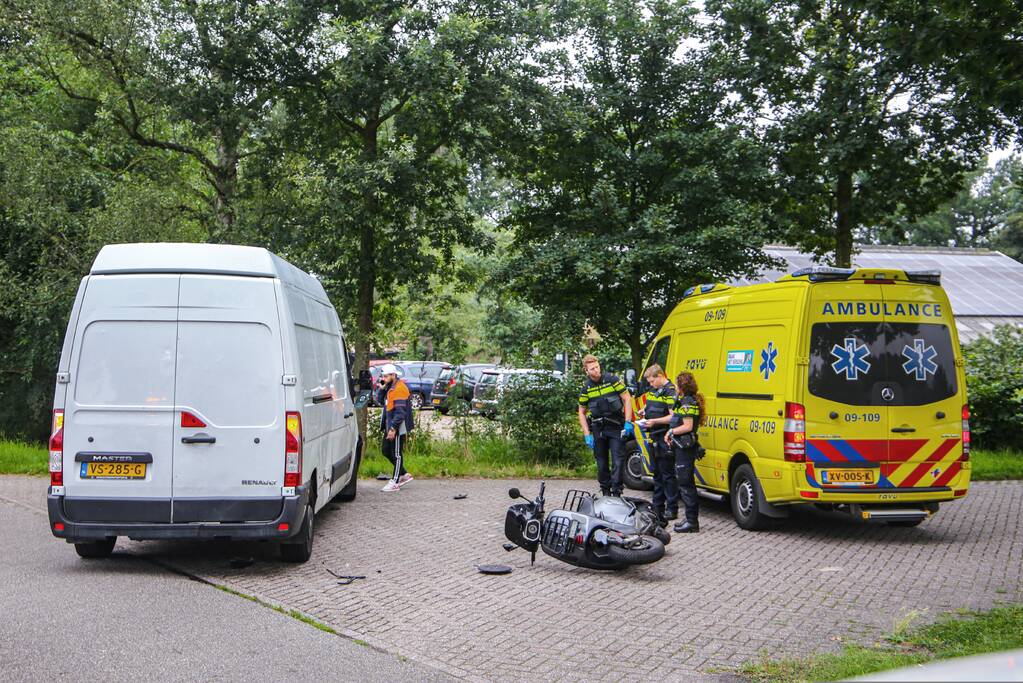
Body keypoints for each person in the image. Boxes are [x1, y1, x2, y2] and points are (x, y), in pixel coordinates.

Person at [577, 354, 634, 496]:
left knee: (618, 462)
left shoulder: (612, 380)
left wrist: (628, 422)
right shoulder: (586, 389)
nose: (596, 370)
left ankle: (616, 493)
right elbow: (581, 412)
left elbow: (627, 398)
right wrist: (586, 434)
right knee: (601, 464)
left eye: (597, 367)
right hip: (598, 429)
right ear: (586, 371)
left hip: (616, 426)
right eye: (592, 369)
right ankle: (606, 492)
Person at [636, 364, 678, 523]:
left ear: (660, 376)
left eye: (652, 381)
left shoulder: (670, 391)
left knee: (667, 474)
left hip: (664, 436)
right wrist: (644, 411)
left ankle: (672, 508)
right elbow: (651, 405)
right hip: (653, 435)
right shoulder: (654, 390)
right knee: (657, 474)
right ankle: (658, 506)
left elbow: (672, 417)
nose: (651, 384)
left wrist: (654, 421)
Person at [664, 371, 706, 533]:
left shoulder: (688, 403)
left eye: (677, 384)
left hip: (685, 449)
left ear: (681, 386)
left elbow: (688, 426)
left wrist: (671, 432)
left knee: (686, 484)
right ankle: (689, 519)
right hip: (681, 447)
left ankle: (692, 522)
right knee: (685, 483)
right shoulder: (684, 401)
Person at [376, 364, 415, 492]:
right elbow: (379, 401)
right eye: (383, 376)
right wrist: (381, 389)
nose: (384, 378)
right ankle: (404, 474)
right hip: (389, 424)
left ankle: (395, 481)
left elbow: (400, 412)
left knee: (397, 454)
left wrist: (393, 429)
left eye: (386, 376)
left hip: (397, 426)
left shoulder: (399, 389)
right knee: (386, 451)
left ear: (393, 375)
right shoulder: (389, 387)